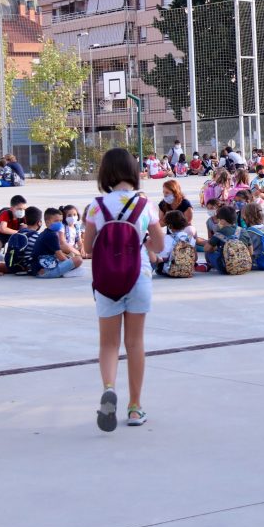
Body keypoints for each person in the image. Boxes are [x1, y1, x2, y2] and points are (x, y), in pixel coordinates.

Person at [83, 148, 162, 430]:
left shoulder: (96, 206)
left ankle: (109, 387)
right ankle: (135, 407)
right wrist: (144, 246)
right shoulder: (146, 205)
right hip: (138, 275)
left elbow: (86, 248)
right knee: (135, 342)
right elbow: (161, 244)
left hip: (106, 279)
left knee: (108, 343)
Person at [33, 207, 83, 278]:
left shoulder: (45, 233)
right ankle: (66, 273)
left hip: (41, 268)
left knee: (71, 259)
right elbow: (61, 257)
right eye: (56, 221)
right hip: (45, 271)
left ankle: (67, 271)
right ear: (47, 223)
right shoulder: (52, 235)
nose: (59, 223)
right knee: (78, 260)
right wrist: (70, 263)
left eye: (60, 221)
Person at [204, 205, 247, 272]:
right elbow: (251, 251)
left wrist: (214, 248)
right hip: (244, 265)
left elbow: (206, 248)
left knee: (209, 253)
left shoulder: (219, 233)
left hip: (226, 267)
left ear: (223, 221)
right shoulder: (243, 231)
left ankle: (210, 265)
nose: (219, 222)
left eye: (219, 220)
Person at [3, 206, 42, 275]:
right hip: (30, 267)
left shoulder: (19, 233)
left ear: (25, 220)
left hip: (14, 266)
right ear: (39, 222)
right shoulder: (38, 236)